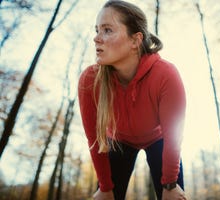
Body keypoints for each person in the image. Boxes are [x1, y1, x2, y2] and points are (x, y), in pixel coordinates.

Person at [78, 0, 186, 199]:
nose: (96, 38)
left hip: (159, 139)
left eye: (107, 30)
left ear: (135, 41)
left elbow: (173, 135)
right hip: (118, 141)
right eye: (97, 30)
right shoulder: (90, 80)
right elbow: (95, 139)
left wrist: (170, 184)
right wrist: (104, 187)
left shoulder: (165, 74)